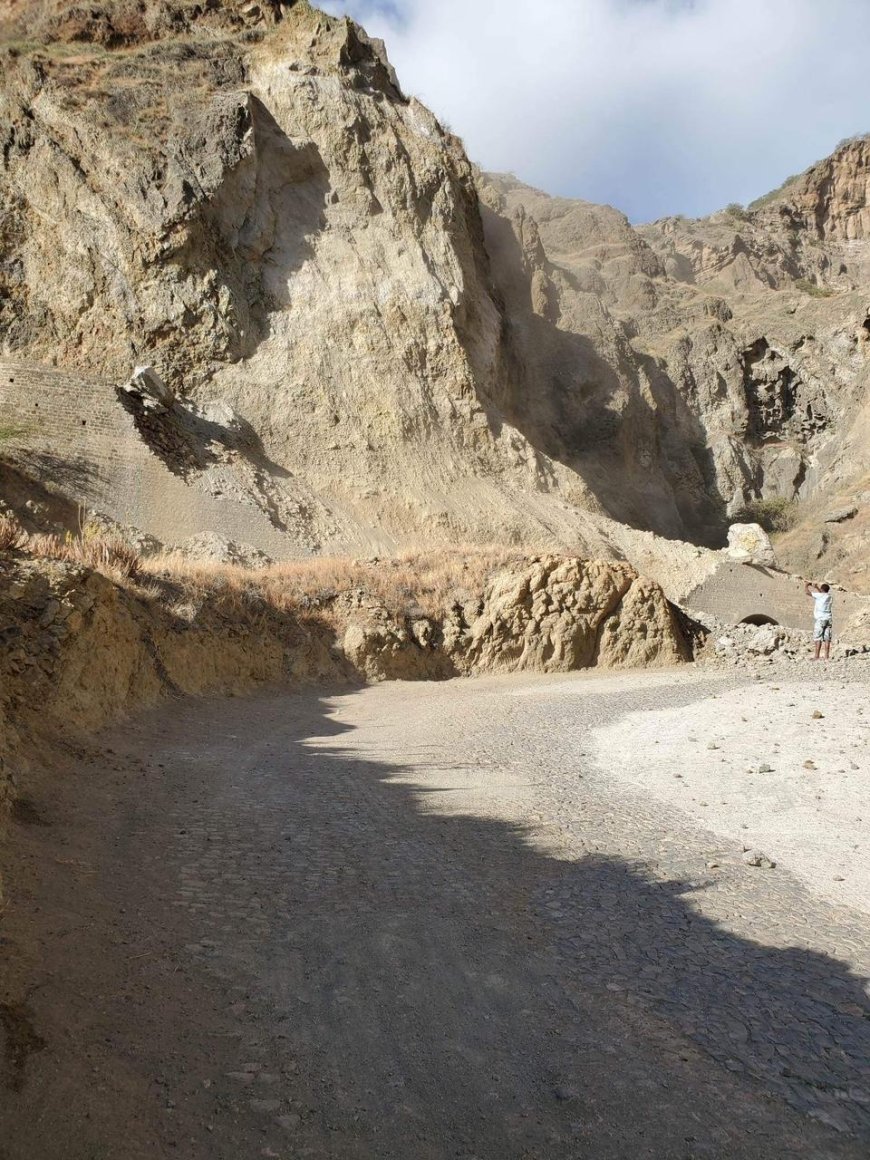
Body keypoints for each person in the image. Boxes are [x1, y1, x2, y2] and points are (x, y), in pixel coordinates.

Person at [805, 580, 833, 660]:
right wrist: (816, 587)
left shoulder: (819, 596)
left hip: (820, 619)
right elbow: (822, 593)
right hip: (828, 619)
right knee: (827, 639)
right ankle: (826, 657)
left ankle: (816, 656)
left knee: (818, 638)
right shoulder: (829, 597)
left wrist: (806, 585)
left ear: (822, 589)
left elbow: (807, 593)